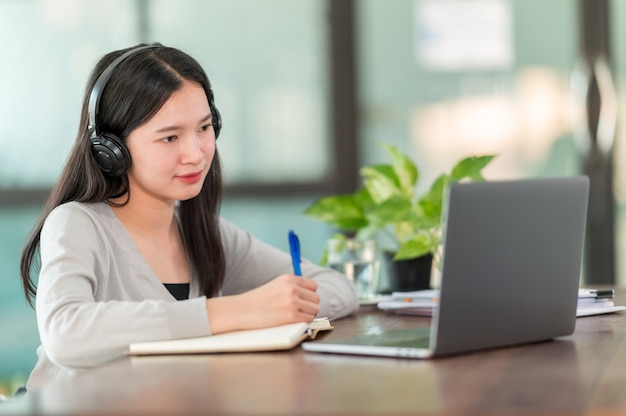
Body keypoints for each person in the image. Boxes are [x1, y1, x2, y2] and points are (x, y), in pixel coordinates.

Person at [19, 43, 359, 391]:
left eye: (204, 128)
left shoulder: (204, 233)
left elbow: (341, 290)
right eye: (170, 137)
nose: (195, 154)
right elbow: (65, 333)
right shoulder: (78, 223)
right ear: (112, 149)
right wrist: (234, 312)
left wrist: (288, 305)